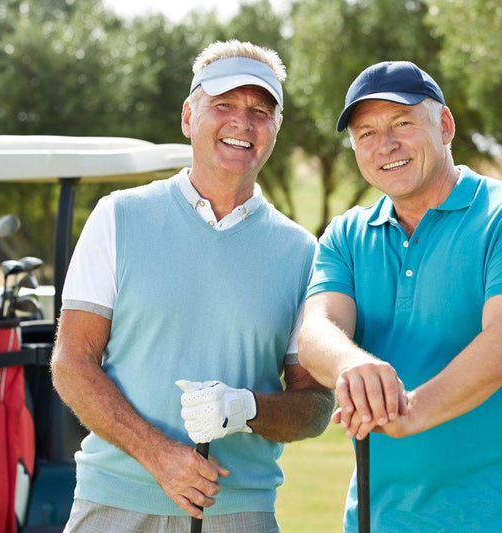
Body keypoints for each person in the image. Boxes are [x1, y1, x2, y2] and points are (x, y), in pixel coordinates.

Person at [50, 40, 334, 533]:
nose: (242, 123)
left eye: (260, 111)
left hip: (238, 512)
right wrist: (159, 455)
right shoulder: (118, 217)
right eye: (223, 105)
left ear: (276, 128)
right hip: (114, 504)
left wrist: (247, 409)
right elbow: (72, 364)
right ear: (188, 116)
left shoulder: (302, 253)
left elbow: (313, 406)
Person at [297, 61, 502, 532]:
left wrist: (411, 414)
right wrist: (349, 364)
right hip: (375, 518)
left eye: (402, 123)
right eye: (366, 133)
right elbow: (316, 330)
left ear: (444, 126)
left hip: (501, 516)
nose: (385, 145)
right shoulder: (345, 234)